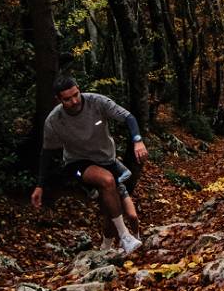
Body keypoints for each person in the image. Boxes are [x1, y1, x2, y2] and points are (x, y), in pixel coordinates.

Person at [31, 76, 148, 255]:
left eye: (76, 95)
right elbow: (46, 153)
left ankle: (106, 246)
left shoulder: (97, 102)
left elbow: (128, 117)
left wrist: (137, 140)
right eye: (67, 99)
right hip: (77, 163)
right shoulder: (54, 120)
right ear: (59, 100)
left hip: (107, 160)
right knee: (107, 180)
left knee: (110, 204)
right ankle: (125, 236)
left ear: (79, 89)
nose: (74, 101)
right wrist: (40, 185)